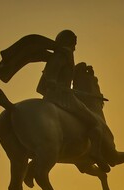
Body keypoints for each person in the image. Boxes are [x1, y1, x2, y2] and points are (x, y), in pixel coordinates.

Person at [36, 30, 110, 172]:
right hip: (64, 99)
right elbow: (48, 79)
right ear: (69, 42)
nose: (75, 47)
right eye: (74, 44)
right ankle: (95, 154)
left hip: (51, 97)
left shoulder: (59, 55)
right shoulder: (64, 55)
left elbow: (40, 87)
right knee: (95, 121)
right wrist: (56, 85)